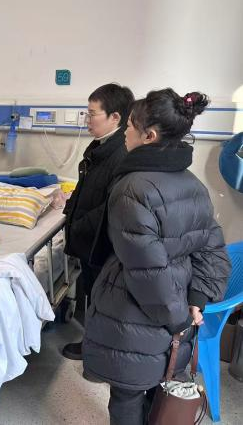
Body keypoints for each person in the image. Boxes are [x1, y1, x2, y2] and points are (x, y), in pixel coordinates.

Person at [82, 89, 231, 424]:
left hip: (138, 314)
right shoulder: (193, 184)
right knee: (156, 388)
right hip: (178, 311)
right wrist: (197, 300)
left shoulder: (132, 189)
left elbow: (147, 270)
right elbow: (212, 248)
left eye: (129, 127)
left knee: (127, 395)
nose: (125, 133)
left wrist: (177, 318)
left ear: (148, 136)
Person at [62, 83, 135, 360]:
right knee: (94, 293)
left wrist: (78, 224)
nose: (87, 120)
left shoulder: (121, 153)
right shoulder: (101, 148)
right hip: (90, 238)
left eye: (92, 114)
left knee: (101, 296)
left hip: (99, 241)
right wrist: (69, 208)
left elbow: (110, 205)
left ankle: (96, 351)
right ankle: (94, 344)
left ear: (115, 117)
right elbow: (87, 189)